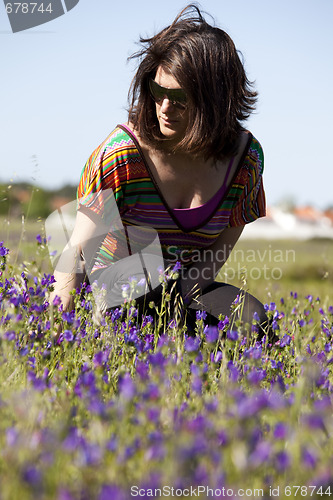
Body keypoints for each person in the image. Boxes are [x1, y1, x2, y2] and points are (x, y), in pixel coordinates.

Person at [50, 4, 268, 335]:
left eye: (179, 97)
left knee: (253, 320)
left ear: (216, 99)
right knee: (137, 283)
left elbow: (223, 242)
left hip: (182, 283)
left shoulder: (245, 161)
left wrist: (181, 303)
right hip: (117, 287)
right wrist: (59, 323)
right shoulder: (121, 155)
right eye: (157, 91)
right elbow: (80, 247)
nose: (164, 108)